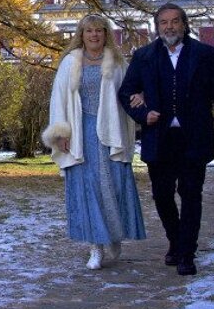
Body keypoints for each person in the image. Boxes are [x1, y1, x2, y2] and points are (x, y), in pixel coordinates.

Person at [118, 2, 214, 276]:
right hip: (159, 138)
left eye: (175, 21)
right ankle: (175, 241)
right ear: (157, 27)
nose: (170, 26)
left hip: (194, 138)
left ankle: (187, 252)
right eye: (164, 22)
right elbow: (126, 92)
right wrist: (142, 113)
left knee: (191, 195)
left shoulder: (203, 54)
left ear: (184, 24)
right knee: (162, 196)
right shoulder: (144, 56)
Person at [42, 14, 146, 270]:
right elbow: (59, 99)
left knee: (113, 187)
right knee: (88, 189)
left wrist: (141, 98)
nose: (94, 35)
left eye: (99, 30)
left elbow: (128, 94)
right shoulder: (69, 62)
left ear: (105, 33)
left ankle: (113, 235)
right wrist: (61, 133)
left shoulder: (117, 62)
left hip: (111, 133)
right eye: (89, 31)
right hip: (80, 133)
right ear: (82, 34)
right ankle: (95, 247)